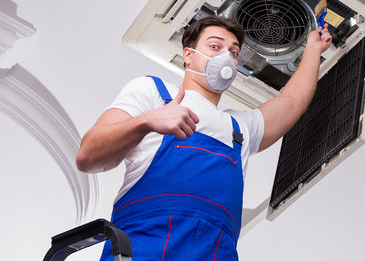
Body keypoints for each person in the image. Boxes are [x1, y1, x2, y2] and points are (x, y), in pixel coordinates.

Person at [76, 15, 332, 261]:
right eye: (214, 46)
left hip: (216, 252)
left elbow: (293, 101)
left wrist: (313, 49)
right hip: (146, 246)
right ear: (188, 54)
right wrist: (146, 121)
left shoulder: (240, 128)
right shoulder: (154, 91)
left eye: (233, 52)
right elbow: (88, 157)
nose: (226, 57)